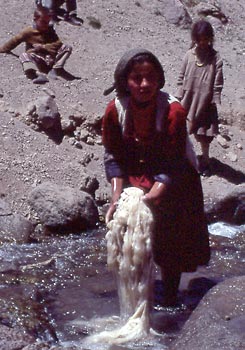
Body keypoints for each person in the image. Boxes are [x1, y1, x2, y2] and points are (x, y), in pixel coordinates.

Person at [102, 48, 210, 306]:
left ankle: (170, 300)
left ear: (159, 79)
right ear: (125, 82)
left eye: (150, 77)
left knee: (169, 242)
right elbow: (113, 154)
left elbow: (173, 161)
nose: (144, 84)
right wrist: (117, 197)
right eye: (136, 78)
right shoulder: (115, 111)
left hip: (176, 180)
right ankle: (139, 299)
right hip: (136, 176)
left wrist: (153, 195)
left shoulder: (173, 111)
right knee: (133, 241)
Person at [176, 19, 224, 176]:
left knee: (204, 135)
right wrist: (179, 94)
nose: (203, 42)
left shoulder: (216, 58)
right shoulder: (189, 56)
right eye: (200, 39)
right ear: (195, 38)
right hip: (188, 100)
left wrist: (215, 98)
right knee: (182, 131)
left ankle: (205, 161)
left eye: (206, 38)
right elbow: (181, 76)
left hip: (205, 102)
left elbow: (218, 81)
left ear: (210, 38)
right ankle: (181, 160)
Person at [0, 6, 72, 83]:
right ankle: (38, 74)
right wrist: (2, 49)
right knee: (24, 55)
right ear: (35, 19)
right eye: (43, 22)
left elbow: (58, 43)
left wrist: (44, 47)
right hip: (37, 59)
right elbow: (14, 41)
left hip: (50, 58)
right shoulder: (28, 32)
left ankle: (57, 68)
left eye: (47, 22)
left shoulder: (49, 30)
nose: (46, 25)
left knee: (67, 47)